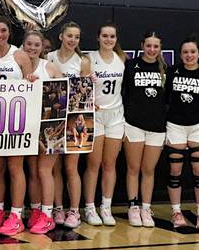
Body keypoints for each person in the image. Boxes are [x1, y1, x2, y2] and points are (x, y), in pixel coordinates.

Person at [0, 15, 32, 235]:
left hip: (17, 121)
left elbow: (30, 88)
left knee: (15, 168)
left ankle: (16, 214)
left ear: (9, 32)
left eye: (3, 30)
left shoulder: (20, 55)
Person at [164, 36, 199, 230]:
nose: (189, 55)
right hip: (176, 124)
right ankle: (176, 212)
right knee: (175, 171)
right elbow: (165, 98)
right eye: (185, 52)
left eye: (193, 52)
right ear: (180, 55)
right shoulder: (173, 72)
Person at [46, 22, 91, 228]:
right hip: (54, 119)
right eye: (70, 36)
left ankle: (74, 211)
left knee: (71, 168)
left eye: (77, 37)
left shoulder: (83, 61)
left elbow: (86, 92)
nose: (73, 40)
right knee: (54, 169)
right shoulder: (49, 58)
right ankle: (58, 208)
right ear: (61, 36)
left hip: (75, 119)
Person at [122, 31, 167, 228]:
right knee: (133, 168)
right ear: (142, 46)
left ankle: (146, 207)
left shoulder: (165, 69)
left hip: (157, 127)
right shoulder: (131, 66)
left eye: (156, 46)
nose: (152, 49)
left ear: (160, 49)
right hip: (134, 124)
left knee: (149, 169)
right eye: (149, 45)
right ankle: (133, 206)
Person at [82, 24, 126, 227]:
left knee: (110, 164)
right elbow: (80, 88)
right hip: (96, 116)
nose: (109, 39)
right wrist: (88, 101)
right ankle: (89, 207)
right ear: (98, 37)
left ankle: (106, 207)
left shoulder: (122, 59)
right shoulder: (89, 59)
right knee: (93, 164)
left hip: (116, 116)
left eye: (112, 36)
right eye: (105, 36)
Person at [22, 30, 64, 234]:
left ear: (42, 47)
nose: (32, 48)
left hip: (50, 128)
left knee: (44, 171)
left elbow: (65, 94)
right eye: (28, 44)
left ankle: (48, 215)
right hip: (27, 126)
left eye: (36, 45)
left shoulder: (50, 67)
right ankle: (36, 211)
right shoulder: (17, 68)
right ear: (23, 45)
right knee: (33, 172)